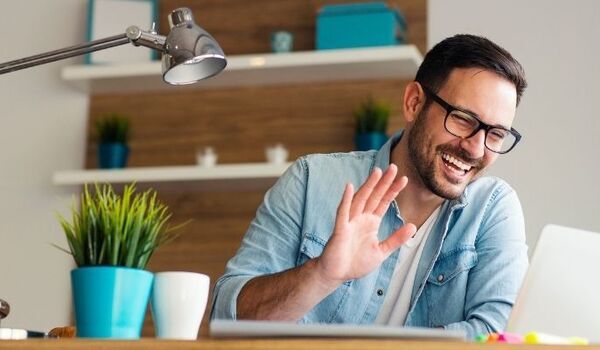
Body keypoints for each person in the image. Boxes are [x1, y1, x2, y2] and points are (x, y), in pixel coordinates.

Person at [211, 34, 529, 339]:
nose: (476, 148)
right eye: (462, 119)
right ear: (414, 103)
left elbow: (498, 335)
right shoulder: (312, 180)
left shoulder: (492, 209)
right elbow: (226, 318)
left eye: (496, 135)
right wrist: (321, 276)